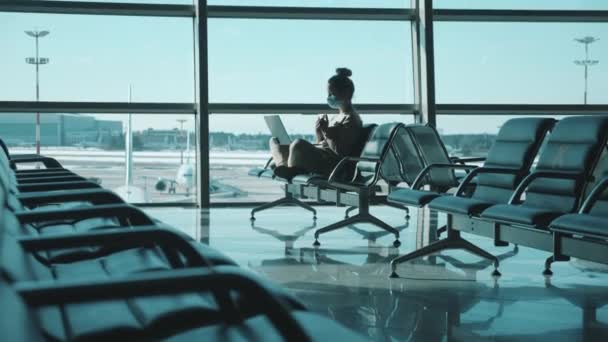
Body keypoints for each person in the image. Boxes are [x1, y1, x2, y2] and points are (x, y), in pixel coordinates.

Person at [270, 67, 363, 180]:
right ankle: (285, 167)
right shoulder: (336, 117)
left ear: (346, 93)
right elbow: (323, 144)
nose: (329, 97)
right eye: (328, 93)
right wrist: (319, 133)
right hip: (322, 157)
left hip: (332, 165)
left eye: (332, 93)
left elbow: (341, 152)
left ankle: (289, 168)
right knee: (275, 142)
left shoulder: (352, 119)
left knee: (298, 143)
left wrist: (326, 132)